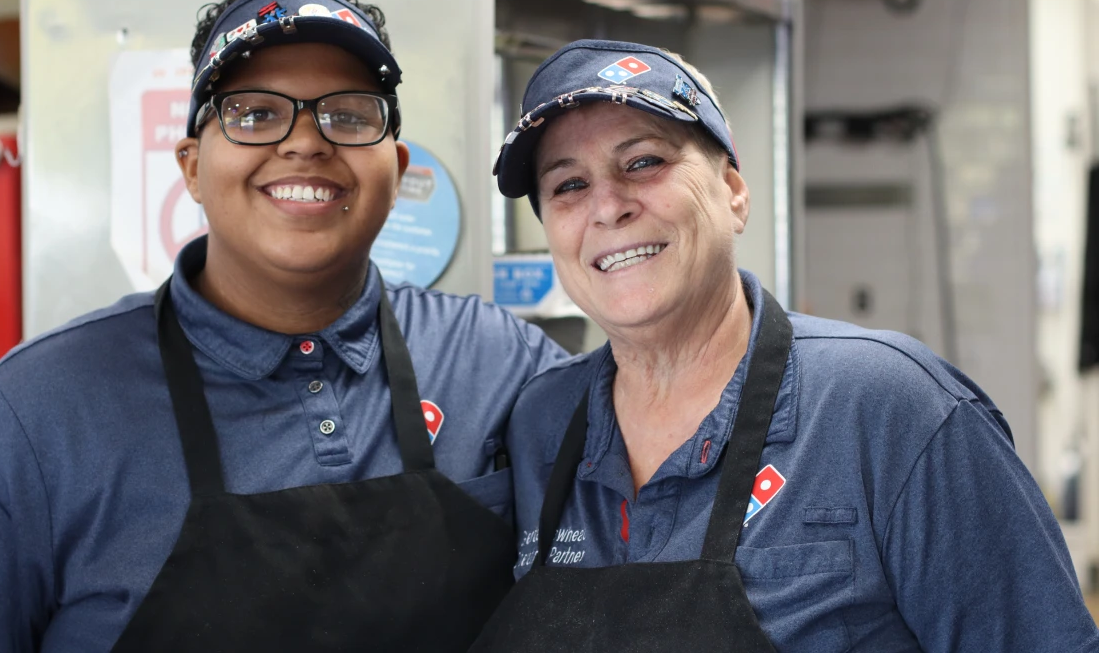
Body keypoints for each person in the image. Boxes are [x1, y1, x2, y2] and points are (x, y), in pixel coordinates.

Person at [0, 0, 568, 652]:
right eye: (253, 114)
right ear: (191, 166)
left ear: (395, 169)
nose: (306, 141)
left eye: (349, 113)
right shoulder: (33, 414)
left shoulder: (497, 360)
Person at [470, 39, 1099, 652]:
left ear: (734, 193)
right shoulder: (543, 422)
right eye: (568, 186)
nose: (607, 207)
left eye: (644, 162)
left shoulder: (889, 409)